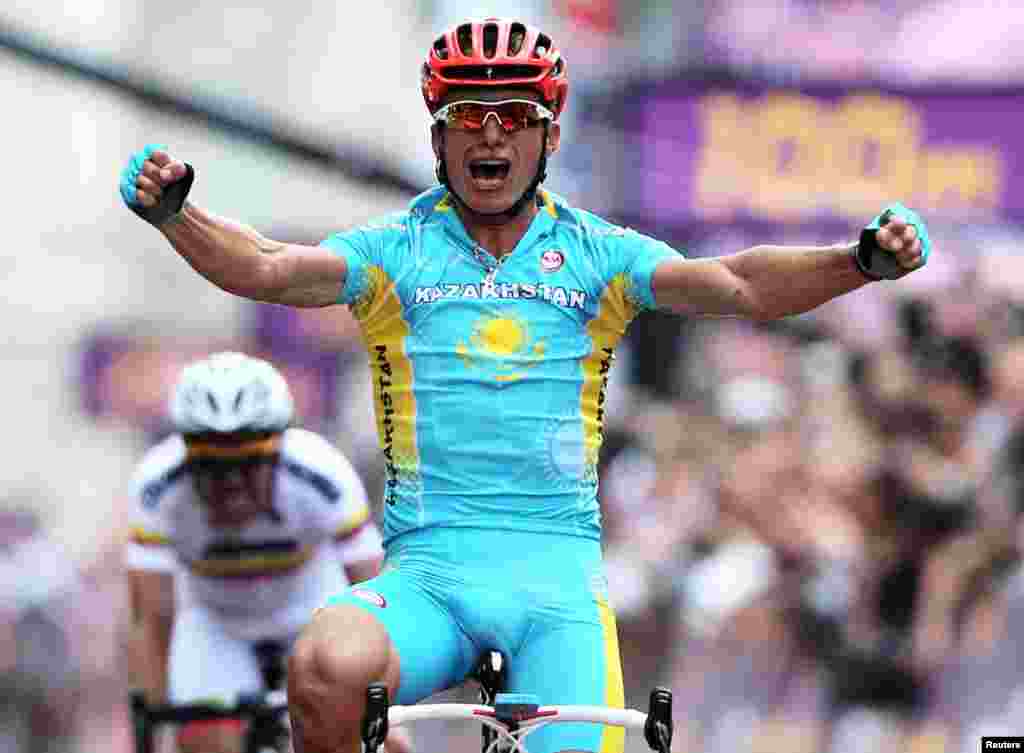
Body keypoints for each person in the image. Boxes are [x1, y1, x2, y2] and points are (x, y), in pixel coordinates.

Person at [118, 18, 929, 753]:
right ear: (440, 136)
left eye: (514, 115)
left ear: (549, 134)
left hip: (556, 587)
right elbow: (265, 264)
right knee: (324, 663)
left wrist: (855, 262)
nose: (491, 132)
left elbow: (741, 284)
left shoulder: (599, 253)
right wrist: (176, 215)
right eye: (469, 115)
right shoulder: (393, 250)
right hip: (427, 579)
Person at [124, 352, 398, 753]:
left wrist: (386, 707)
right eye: (212, 466)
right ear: (186, 456)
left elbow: (377, 597)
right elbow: (151, 618)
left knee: (358, 737)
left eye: (248, 463)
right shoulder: (156, 488)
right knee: (204, 739)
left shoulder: (322, 475)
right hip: (214, 623)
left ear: (278, 453)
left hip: (312, 612)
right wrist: (150, 715)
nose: (231, 483)